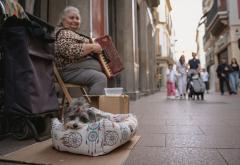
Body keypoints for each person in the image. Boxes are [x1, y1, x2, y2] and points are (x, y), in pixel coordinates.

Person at [54, 6, 107, 95]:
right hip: (67, 70)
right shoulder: (62, 33)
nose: (75, 20)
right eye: (71, 18)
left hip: (75, 69)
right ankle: (94, 107)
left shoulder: (72, 33)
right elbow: (68, 51)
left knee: (101, 75)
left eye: (77, 18)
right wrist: (92, 47)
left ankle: (93, 105)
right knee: (100, 78)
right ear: (63, 20)